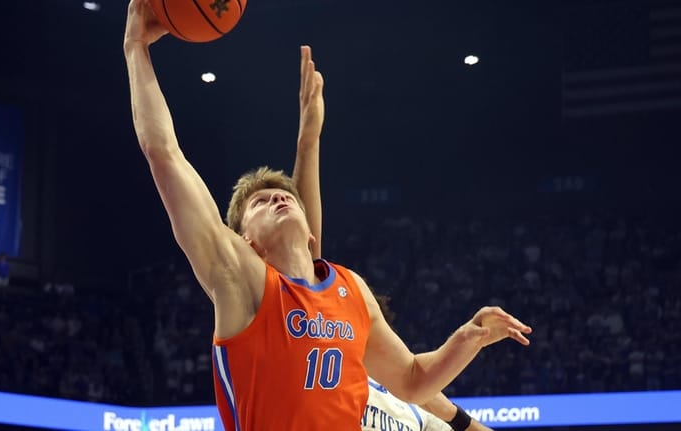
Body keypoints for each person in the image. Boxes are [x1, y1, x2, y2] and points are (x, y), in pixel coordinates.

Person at [124, 1, 532, 430]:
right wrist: (136, 47)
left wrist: (469, 336)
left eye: (285, 197)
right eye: (260, 204)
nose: (278, 201)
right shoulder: (243, 284)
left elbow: (413, 380)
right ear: (246, 241)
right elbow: (164, 154)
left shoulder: (350, 290)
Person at [293, 46, 495, 431]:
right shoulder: (324, 370)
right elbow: (306, 256)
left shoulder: (413, 399)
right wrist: (308, 142)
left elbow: (466, 425)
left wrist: (470, 338)